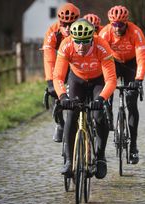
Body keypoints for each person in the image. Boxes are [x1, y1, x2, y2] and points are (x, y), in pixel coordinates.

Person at [53, 18, 117, 179]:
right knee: (72, 115)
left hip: (98, 81)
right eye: (78, 42)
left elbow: (111, 80)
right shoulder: (66, 45)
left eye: (85, 42)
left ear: (92, 39)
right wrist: (62, 96)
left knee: (98, 115)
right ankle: (68, 160)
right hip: (77, 80)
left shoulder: (102, 45)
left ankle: (100, 157)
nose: (81, 47)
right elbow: (58, 77)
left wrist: (101, 99)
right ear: (72, 39)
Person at [99, 5, 145, 164]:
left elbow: (141, 58)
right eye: (114, 24)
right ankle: (109, 113)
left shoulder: (136, 32)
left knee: (131, 103)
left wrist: (138, 80)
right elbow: (100, 57)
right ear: (110, 23)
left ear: (126, 23)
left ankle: (133, 146)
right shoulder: (105, 33)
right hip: (113, 62)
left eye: (121, 24)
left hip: (131, 64)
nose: (117, 28)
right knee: (107, 88)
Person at [42, 3, 80, 142]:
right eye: (64, 24)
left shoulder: (81, 29)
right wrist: (50, 82)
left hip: (77, 65)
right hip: (59, 64)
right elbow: (49, 58)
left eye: (71, 24)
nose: (68, 28)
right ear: (60, 22)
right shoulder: (52, 31)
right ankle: (60, 123)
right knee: (56, 95)